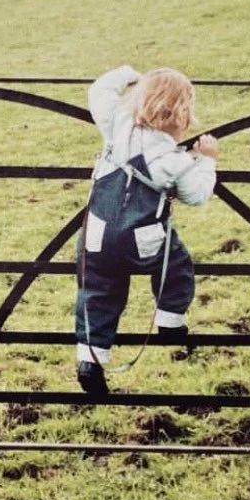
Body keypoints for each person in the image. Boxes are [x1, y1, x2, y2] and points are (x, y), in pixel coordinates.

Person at [75, 65, 219, 394]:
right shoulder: (173, 157)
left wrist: (128, 73)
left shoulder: (116, 125)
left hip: (95, 235)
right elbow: (196, 196)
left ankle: (90, 359)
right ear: (182, 114)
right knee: (176, 264)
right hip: (143, 241)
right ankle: (170, 322)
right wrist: (207, 160)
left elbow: (98, 90)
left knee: (97, 292)